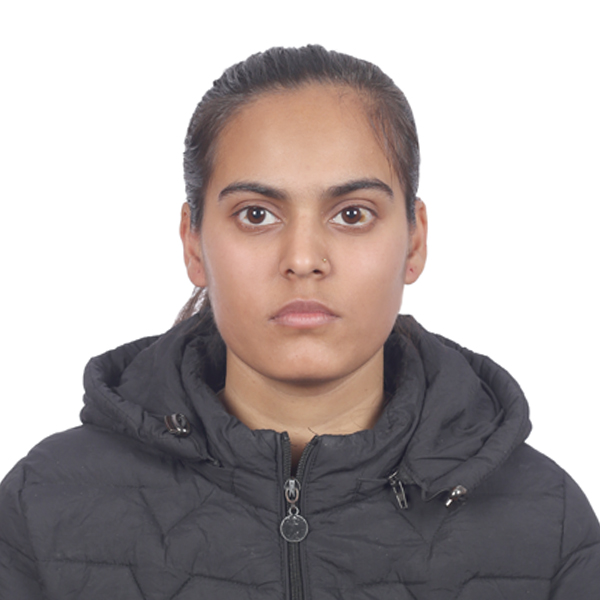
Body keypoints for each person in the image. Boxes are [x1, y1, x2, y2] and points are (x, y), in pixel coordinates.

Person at [0, 45, 598, 599]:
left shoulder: (548, 522)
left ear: (414, 241)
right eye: (256, 215)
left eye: (353, 214)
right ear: (193, 243)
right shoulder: (42, 506)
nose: (304, 258)